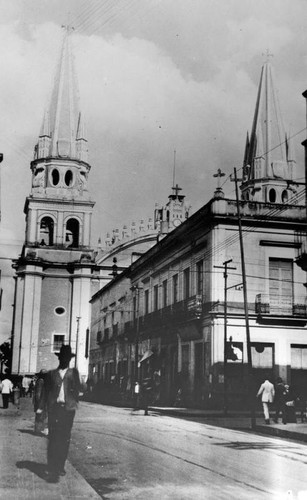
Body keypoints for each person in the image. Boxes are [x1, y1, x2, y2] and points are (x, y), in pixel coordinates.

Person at [37, 345, 84, 483]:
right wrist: (41, 408)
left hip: (68, 410)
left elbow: (80, 389)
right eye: (63, 358)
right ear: (60, 358)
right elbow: (45, 392)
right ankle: (52, 466)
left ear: (70, 359)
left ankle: (60, 466)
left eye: (68, 358)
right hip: (54, 409)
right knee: (53, 437)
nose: (66, 360)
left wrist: (79, 383)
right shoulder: (51, 374)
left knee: (64, 438)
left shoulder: (73, 373)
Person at [33, 369, 48, 434]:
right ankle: (38, 430)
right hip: (40, 402)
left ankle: (39, 429)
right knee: (40, 415)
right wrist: (39, 403)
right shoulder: (41, 381)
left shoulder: (41, 381)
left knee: (42, 415)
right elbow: (38, 394)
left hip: (41, 401)